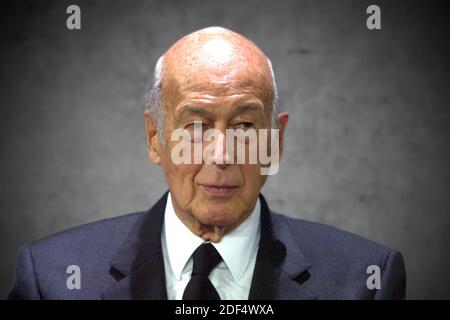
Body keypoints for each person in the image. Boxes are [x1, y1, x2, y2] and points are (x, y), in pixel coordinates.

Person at [8, 26, 406, 300]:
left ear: (276, 140)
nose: (222, 154)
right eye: (196, 126)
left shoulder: (364, 279)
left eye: (245, 125)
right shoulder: (52, 276)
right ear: (155, 138)